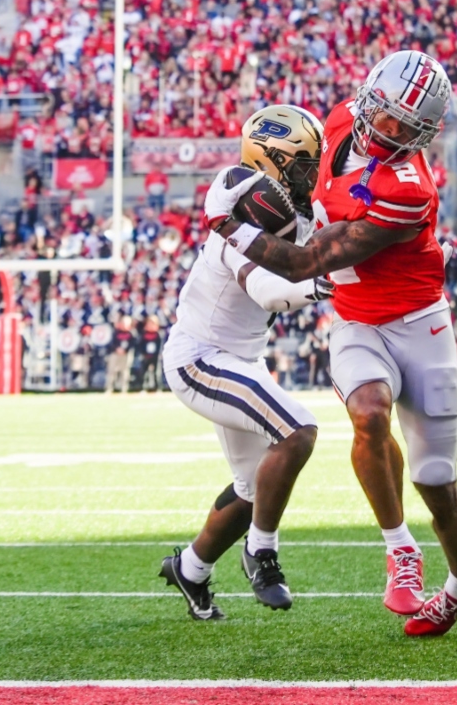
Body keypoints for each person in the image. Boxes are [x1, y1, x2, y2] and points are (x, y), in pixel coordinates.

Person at [211, 52, 457, 636]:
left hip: (420, 324)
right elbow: (303, 184)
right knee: (367, 413)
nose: (388, 134)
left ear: (424, 135)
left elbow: (308, 261)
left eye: (404, 130)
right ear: (368, 101)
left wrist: (231, 225)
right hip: (358, 318)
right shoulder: (337, 122)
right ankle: (400, 549)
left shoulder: (408, 189)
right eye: (384, 119)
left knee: (437, 483)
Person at [160, 105, 329, 619]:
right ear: (272, 163)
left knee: (254, 486)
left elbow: (341, 233)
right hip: (200, 358)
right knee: (298, 431)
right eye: (303, 166)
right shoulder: (237, 223)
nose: (313, 176)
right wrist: (319, 285)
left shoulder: (301, 216)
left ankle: (190, 567)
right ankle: (262, 550)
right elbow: (270, 290)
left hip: (240, 360)